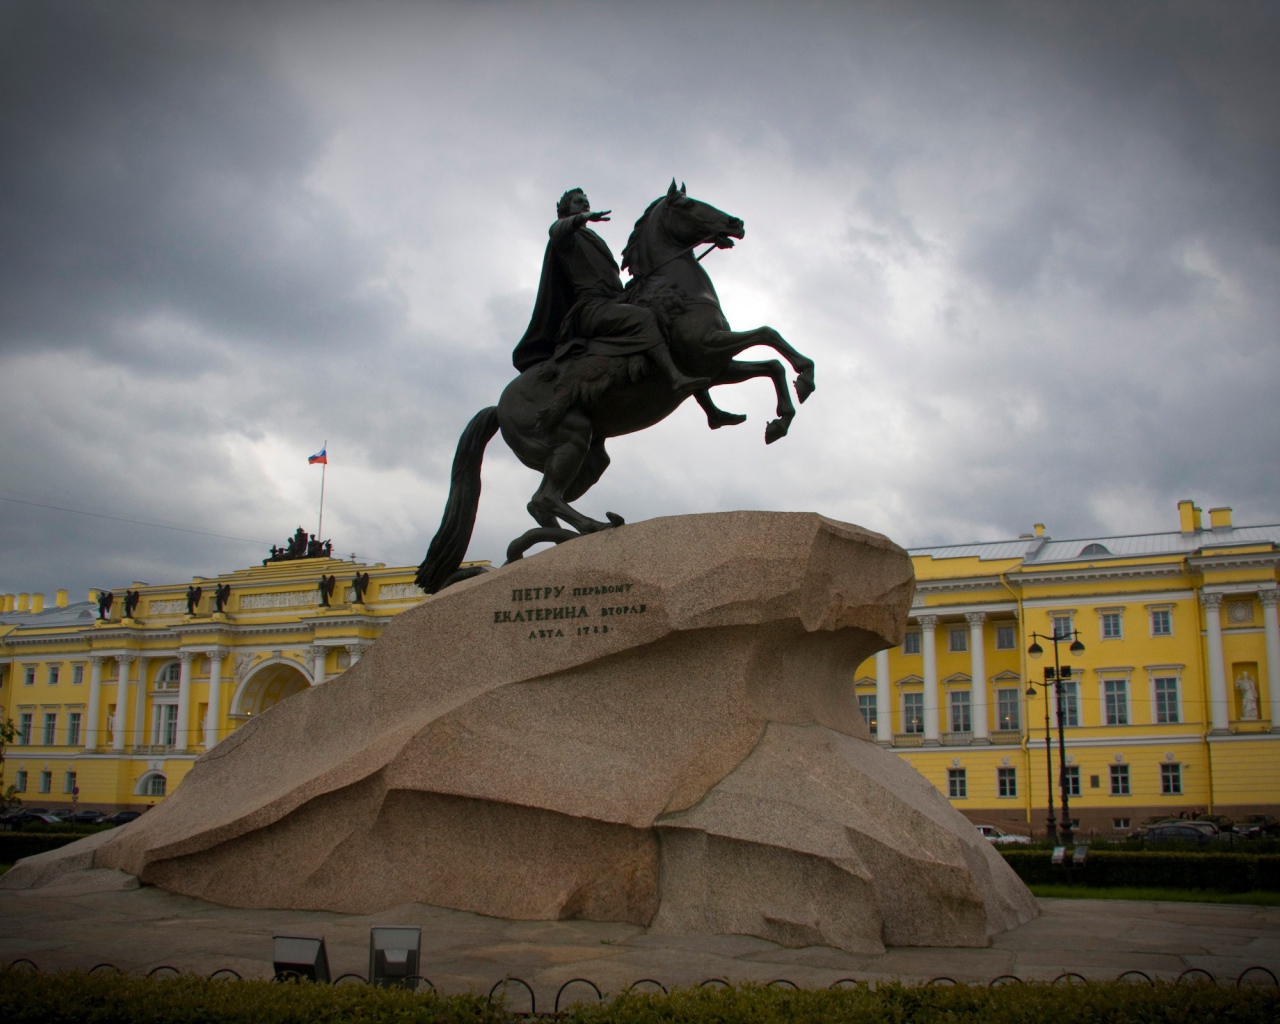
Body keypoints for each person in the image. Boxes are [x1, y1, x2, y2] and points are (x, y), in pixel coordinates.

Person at [512, 188, 710, 393]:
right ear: (565, 209)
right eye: (578, 202)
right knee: (644, 317)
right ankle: (675, 377)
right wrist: (582, 218)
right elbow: (555, 231)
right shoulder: (566, 237)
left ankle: (705, 398)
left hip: (613, 300)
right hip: (591, 307)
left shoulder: (593, 238)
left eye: (586, 201)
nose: (584, 204)